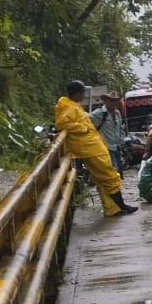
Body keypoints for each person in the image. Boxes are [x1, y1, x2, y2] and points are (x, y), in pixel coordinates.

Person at [56, 81, 138, 216]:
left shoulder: (73, 106)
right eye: (82, 92)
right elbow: (62, 124)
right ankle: (122, 205)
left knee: (101, 179)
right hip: (90, 148)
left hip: (95, 146)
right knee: (110, 176)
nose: (83, 95)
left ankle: (112, 208)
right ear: (77, 93)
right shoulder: (68, 107)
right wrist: (84, 128)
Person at [88, 93, 127, 173]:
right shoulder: (98, 113)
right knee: (112, 171)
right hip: (105, 148)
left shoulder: (117, 113)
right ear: (105, 101)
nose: (113, 103)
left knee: (117, 172)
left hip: (116, 147)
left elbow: (120, 128)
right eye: (111, 100)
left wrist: (122, 140)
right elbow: (86, 120)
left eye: (115, 101)